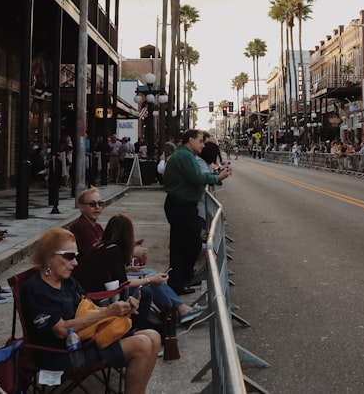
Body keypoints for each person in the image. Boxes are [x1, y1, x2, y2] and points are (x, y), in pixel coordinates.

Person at [21, 227, 159, 394]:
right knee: (142, 344)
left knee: (153, 336)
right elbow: (61, 330)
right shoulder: (36, 289)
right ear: (49, 256)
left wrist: (122, 309)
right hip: (62, 353)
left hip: (87, 339)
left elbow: (89, 308)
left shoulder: (67, 281)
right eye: (69, 256)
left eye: (76, 256)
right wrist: (106, 313)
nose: (75, 263)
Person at [74, 214, 201, 328]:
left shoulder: (102, 245)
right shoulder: (114, 251)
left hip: (97, 288)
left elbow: (110, 273)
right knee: (150, 282)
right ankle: (173, 311)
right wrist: (150, 280)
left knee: (150, 273)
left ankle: (177, 308)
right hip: (99, 294)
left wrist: (131, 270)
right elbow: (122, 282)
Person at [163, 130, 231, 295]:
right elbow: (198, 178)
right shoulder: (185, 156)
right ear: (190, 140)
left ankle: (180, 280)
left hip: (182, 205)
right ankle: (180, 281)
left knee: (182, 245)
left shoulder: (185, 156)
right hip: (181, 205)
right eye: (200, 141)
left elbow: (198, 175)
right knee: (190, 244)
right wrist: (218, 177)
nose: (203, 145)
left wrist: (215, 175)